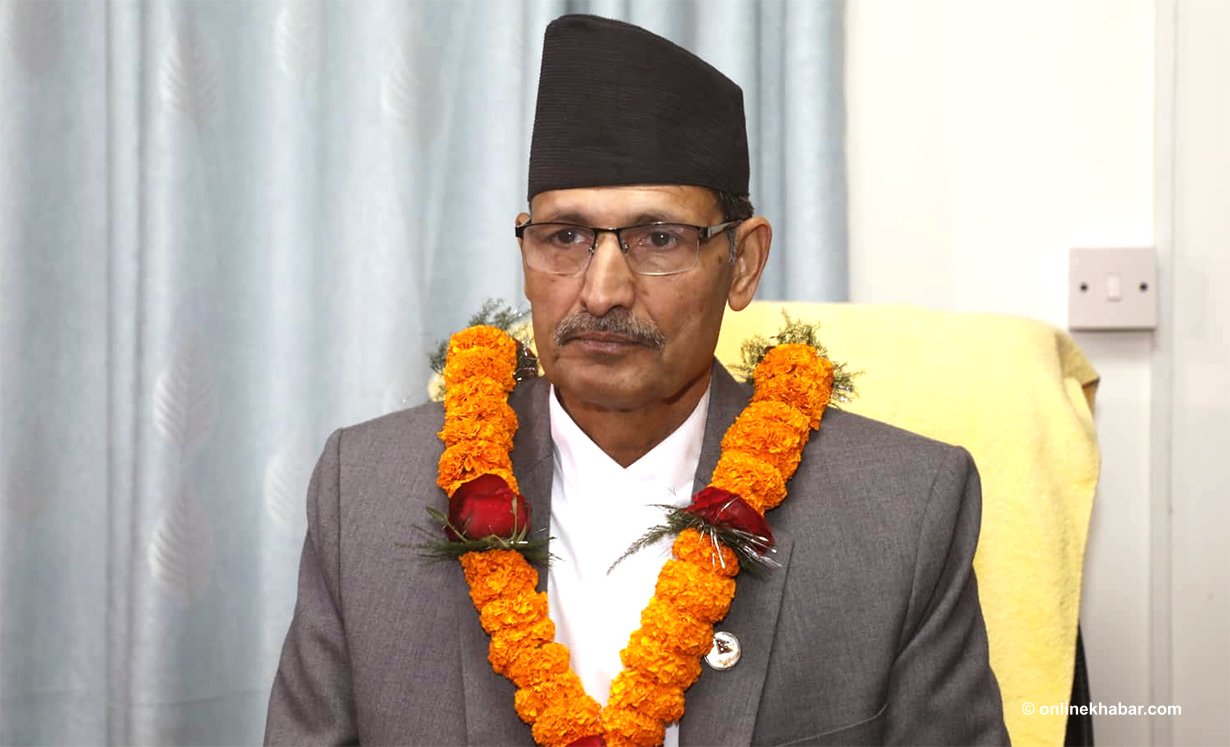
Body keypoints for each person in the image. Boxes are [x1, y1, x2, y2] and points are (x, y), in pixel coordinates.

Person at [265, 14, 1008, 746]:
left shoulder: (901, 511)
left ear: (743, 263)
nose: (600, 291)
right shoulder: (363, 492)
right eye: (565, 237)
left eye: (659, 238)